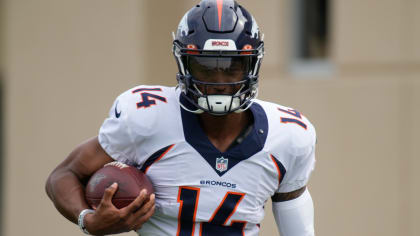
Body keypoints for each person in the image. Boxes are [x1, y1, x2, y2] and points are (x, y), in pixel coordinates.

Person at [45, 0, 316, 235]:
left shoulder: (289, 136)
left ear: (252, 64)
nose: (220, 81)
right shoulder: (146, 118)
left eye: (232, 66)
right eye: (206, 67)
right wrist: (88, 220)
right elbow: (64, 174)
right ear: (184, 63)